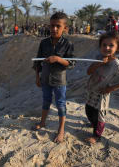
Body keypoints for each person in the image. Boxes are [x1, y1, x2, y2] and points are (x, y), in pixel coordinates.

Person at [33, 12, 76, 143]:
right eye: (52, 26)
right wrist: (37, 77)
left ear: (65, 28)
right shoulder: (43, 43)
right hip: (45, 78)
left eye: (58, 26)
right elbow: (37, 62)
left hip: (59, 81)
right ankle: (42, 122)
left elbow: (72, 63)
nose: (54, 29)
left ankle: (61, 129)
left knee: (61, 104)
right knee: (46, 101)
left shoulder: (68, 44)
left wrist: (58, 59)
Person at [85, 31, 119, 144]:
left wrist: (111, 89)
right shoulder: (98, 57)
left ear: (118, 47)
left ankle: (97, 135)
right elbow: (88, 72)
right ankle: (93, 123)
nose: (107, 48)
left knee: (100, 116)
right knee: (89, 110)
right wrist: (99, 63)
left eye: (111, 45)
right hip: (92, 91)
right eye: (104, 45)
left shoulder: (116, 64)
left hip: (102, 94)